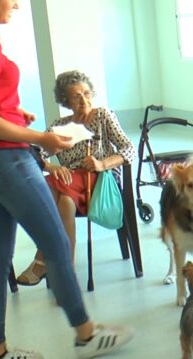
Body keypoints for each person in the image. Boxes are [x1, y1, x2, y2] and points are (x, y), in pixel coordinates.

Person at [0, 0, 133, 359]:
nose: (19, 5)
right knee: (56, 244)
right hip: (2, 158)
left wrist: (8, 112)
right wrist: (40, 136)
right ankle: (86, 334)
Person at [15, 70, 136, 286]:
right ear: (66, 101)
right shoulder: (59, 126)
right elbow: (36, 154)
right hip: (71, 185)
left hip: (100, 181)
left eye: (87, 93)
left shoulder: (103, 116)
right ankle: (66, 272)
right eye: (76, 96)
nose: (84, 100)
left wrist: (102, 163)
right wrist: (51, 167)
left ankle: (43, 258)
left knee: (45, 187)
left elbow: (129, 149)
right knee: (65, 202)